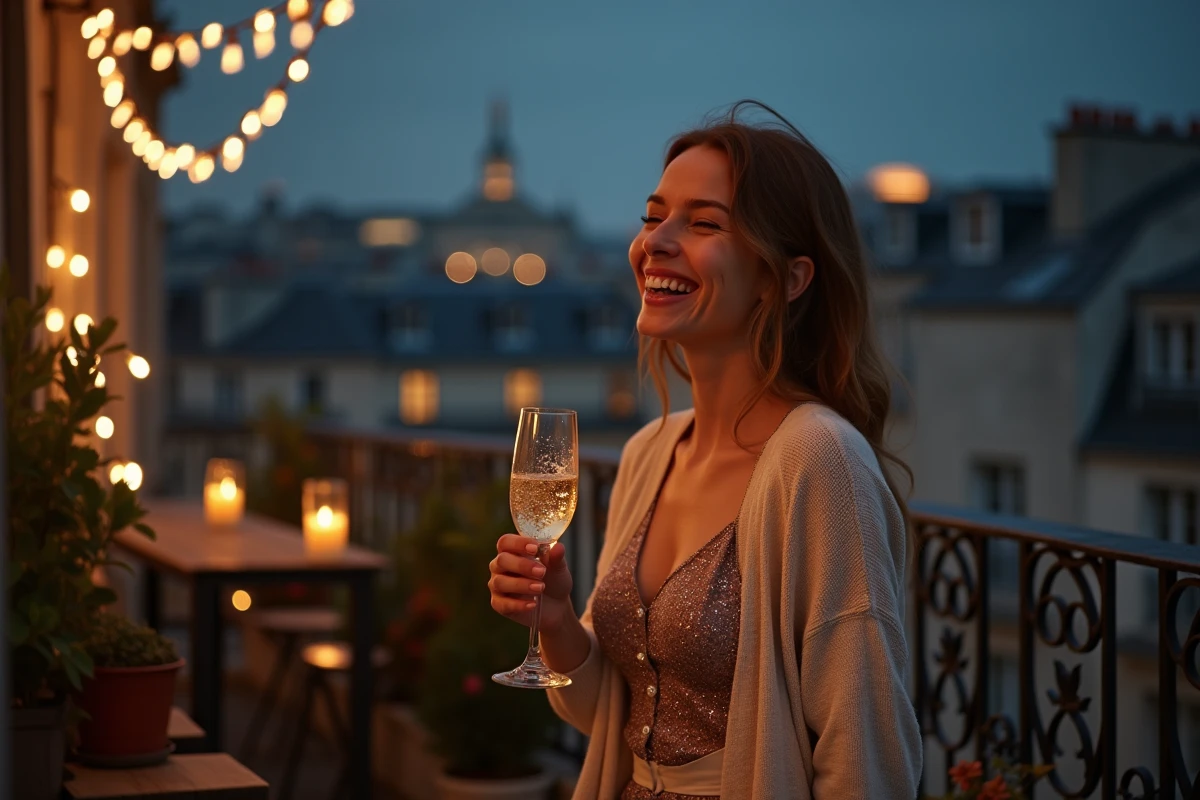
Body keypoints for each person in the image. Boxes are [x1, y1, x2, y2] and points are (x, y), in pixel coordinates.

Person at [488, 100, 922, 799]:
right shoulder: (649, 452)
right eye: (653, 216)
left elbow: (866, 759)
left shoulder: (820, 461)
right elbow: (608, 711)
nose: (655, 241)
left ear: (787, 279)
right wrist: (558, 622)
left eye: (704, 223)